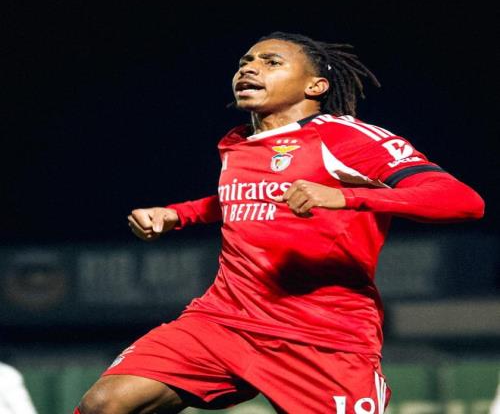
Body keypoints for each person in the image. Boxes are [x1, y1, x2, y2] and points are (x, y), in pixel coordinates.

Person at [76, 32, 484, 414]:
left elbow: (462, 201)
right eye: (246, 62)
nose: (249, 69)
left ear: (315, 86)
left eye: (271, 62)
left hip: (321, 337)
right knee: (105, 404)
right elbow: (249, 197)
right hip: (223, 320)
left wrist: (345, 197)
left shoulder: (347, 138)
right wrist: (179, 214)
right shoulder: (239, 143)